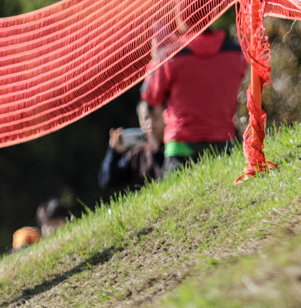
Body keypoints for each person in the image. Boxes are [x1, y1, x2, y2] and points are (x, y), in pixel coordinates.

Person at [141, 26, 248, 175]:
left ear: (181, 19)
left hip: (181, 147)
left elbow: (150, 95)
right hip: (223, 142)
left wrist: (157, 58)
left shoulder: (171, 56)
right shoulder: (237, 54)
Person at [99, 101, 165, 194]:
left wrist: (157, 153)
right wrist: (114, 152)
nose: (150, 124)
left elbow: (173, 176)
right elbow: (107, 181)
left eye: (155, 117)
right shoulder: (138, 155)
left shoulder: (175, 145)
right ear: (140, 120)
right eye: (146, 118)